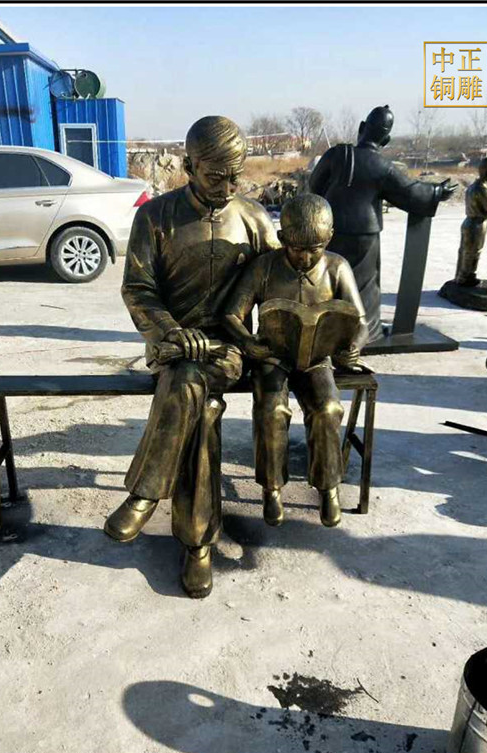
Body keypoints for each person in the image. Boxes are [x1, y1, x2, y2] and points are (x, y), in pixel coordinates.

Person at [104, 116, 279, 599]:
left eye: (235, 177)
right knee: (197, 403)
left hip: (227, 350)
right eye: (215, 176)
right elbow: (138, 289)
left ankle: (145, 493)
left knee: (190, 385)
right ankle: (198, 543)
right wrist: (172, 331)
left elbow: (278, 283)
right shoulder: (155, 217)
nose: (226, 187)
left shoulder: (253, 219)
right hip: (172, 344)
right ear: (188, 165)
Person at [224, 195, 368, 528]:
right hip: (273, 357)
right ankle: (272, 487)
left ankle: (328, 486)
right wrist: (247, 342)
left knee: (328, 409)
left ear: (329, 238)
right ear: (282, 237)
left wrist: (354, 346)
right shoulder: (264, 267)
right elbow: (231, 313)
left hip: (317, 357)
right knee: (272, 411)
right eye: (296, 248)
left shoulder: (337, 267)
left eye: (314, 249)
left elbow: (361, 320)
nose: (305, 257)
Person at [309, 105, 456, 342]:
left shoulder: (336, 154)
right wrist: (437, 191)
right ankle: (364, 333)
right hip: (364, 233)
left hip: (330, 228)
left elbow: (314, 186)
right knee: (364, 285)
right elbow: (410, 192)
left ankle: (328, 330)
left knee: (328, 277)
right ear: (386, 140)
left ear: (362, 128)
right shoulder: (382, 166)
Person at [455, 157, 487, 286]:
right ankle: (466, 277)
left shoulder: (474, 186)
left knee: (464, 251)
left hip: (468, 222)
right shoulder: (483, 189)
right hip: (477, 225)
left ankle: (461, 276)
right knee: (473, 252)